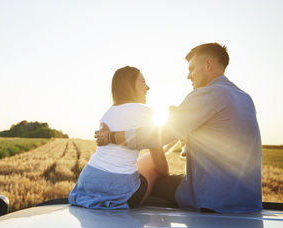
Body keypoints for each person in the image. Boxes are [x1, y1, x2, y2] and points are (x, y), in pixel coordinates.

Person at [95, 43, 263, 213]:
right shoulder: (245, 98)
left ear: (208, 64)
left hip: (214, 201)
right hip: (248, 201)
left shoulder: (208, 94)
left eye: (191, 69)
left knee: (155, 180)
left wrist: (111, 137)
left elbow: (157, 135)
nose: (188, 76)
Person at [69, 66, 169, 209]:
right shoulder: (147, 113)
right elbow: (161, 164)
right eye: (143, 82)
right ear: (130, 86)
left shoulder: (108, 113)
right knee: (153, 166)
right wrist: (166, 177)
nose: (148, 87)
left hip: (88, 180)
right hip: (119, 189)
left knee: (139, 163)